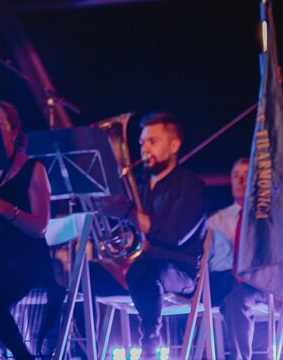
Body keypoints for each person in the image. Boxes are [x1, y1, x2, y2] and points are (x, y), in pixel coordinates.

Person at [99, 113, 206, 358]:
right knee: (81, 275)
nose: (145, 149)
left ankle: (149, 346)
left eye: (153, 141)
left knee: (144, 271)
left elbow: (174, 235)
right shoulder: (138, 186)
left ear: (174, 145)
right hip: (140, 267)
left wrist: (129, 212)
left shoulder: (191, 185)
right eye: (142, 143)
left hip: (180, 270)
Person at [0, 101, 52, 360]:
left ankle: (23, 356)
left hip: (27, 261)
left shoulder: (34, 168)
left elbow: (40, 227)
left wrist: (6, 209)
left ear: (14, 131)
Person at [206, 157, 263, 360]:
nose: (240, 180)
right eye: (236, 176)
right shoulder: (216, 220)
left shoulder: (266, 219)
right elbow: (203, 258)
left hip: (254, 281)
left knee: (236, 300)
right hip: (219, 280)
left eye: (246, 175)